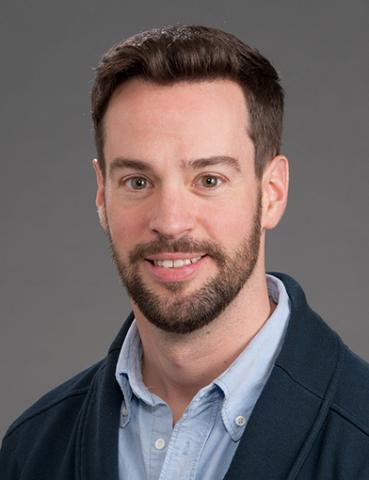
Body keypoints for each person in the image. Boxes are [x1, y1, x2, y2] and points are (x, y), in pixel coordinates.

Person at [1, 24, 368, 480]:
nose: (171, 221)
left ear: (271, 193)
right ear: (102, 196)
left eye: (209, 180)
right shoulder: (30, 452)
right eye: (138, 182)